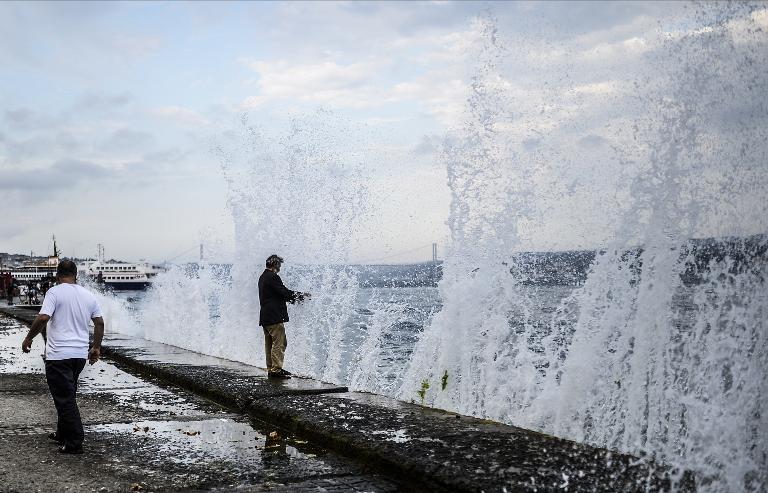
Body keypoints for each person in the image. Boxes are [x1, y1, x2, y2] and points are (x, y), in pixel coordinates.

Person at [21, 259, 104, 454]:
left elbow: (43, 317)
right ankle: (62, 433)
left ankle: (74, 442)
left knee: (64, 398)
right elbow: (99, 323)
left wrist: (28, 337)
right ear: (76, 275)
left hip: (59, 356)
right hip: (78, 357)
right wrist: (96, 348)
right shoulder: (87, 294)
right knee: (67, 394)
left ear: (58, 276)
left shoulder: (54, 292)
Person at [258, 255, 310, 379]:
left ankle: (272, 368)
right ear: (275, 264)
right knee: (280, 343)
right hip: (274, 317)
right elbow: (284, 292)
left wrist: (294, 297)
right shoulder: (272, 277)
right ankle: (276, 370)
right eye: (279, 265)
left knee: (269, 344)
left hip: (266, 317)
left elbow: (278, 294)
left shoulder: (262, 277)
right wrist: (300, 296)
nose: (280, 268)